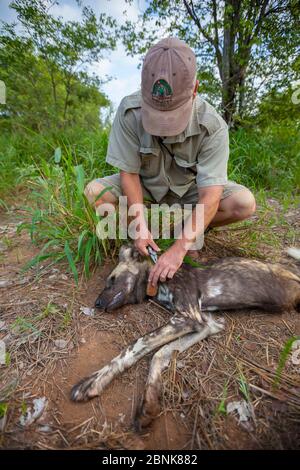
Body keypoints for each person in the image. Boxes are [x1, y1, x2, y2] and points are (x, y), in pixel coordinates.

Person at [84, 37, 256, 287]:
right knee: (94, 193)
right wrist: (138, 224)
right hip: (145, 187)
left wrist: (180, 248)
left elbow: (211, 195)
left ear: (195, 88)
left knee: (243, 203)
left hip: (189, 191)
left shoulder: (213, 126)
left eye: (173, 114)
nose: (164, 127)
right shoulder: (128, 111)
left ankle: (183, 229)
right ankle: (146, 234)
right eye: (155, 112)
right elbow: (129, 174)